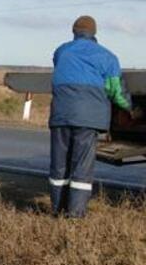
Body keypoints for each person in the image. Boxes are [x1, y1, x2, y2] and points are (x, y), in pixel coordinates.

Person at [49, 16, 135, 218]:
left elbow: (60, 67)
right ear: (94, 32)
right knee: (81, 166)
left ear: (74, 31)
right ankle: (75, 215)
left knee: (59, 164)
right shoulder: (108, 57)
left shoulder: (61, 51)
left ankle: (57, 210)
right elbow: (116, 92)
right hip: (88, 119)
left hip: (60, 116)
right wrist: (129, 108)